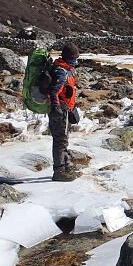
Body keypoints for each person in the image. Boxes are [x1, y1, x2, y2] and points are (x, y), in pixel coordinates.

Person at [48, 44, 81, 182]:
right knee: (60, 141)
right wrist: (56, 108)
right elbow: (54, 91)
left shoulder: (65, 69)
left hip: (65, 109)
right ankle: (59, 171)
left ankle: (66, 166)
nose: (76, 61)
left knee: (63, 140)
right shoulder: (61, 72)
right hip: (60, 110)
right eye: (75, 58)